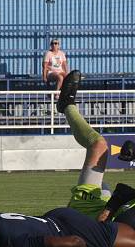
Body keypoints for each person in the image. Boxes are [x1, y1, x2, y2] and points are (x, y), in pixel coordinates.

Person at [51, 70, 135, 227]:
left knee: (98, 144)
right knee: (103, 186)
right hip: (108, 204)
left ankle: (67, 106)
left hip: (90, 216)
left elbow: (104, 229)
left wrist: (114, 203)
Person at [0, 205, 135, 247]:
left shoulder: (15, 242)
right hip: (54, 216)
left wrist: (85, 243)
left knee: (109, 239)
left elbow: (76, 242)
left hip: (72, 228)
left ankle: (122, 198)